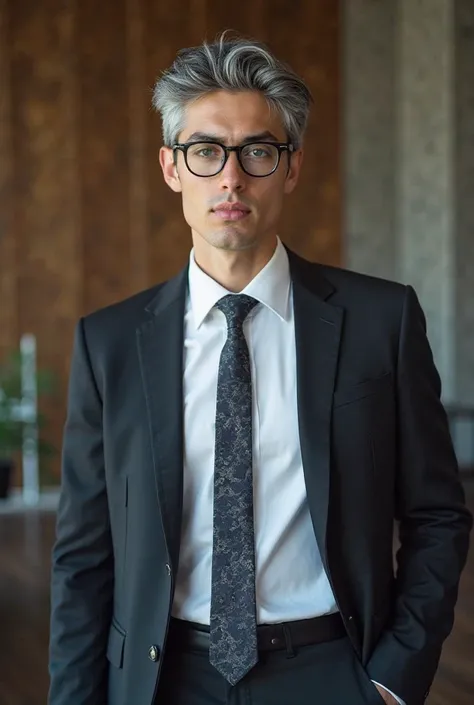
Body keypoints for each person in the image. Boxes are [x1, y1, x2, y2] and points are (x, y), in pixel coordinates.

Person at [48, 33, 472, 705]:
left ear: (292, 167)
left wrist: (394, 676)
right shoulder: (110, 343)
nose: (231, 176)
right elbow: (82, 557)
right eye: (206, 150)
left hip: (335, 670)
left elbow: (438, 514)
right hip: (162, 678)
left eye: (258, 151)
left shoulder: (379, 321)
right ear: (171, 167)